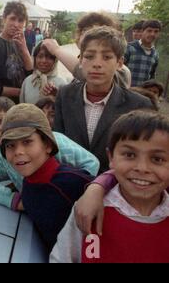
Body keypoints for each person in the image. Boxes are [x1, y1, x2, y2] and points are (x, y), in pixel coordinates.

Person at [51, 110, 169, 263]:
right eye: (130, 155)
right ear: (111, 158)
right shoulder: (87, 211)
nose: (142, 168)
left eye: (157, 159)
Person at [54, 26, 153, 173]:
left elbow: (141, 155)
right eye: (89, 56)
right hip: (70, 184)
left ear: (120, 63)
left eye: (106, 57)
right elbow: (59, 144)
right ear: (80, 60)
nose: (97, 64)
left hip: (115, 186)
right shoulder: (65, 95)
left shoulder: (139, 105)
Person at [0, 104, 94, 250]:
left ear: (48, 145)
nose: (18, 152)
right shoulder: (29, 184)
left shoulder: (74, 182)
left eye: (27, 142)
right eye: (10, 145)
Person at [43, 12, 132, 89]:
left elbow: (81, 72)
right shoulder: (81, 61)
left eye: (95, 31)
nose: (88, 36)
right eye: (84, 31)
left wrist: (57, 50)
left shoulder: (122, 71)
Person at [0, 2, 33, 100]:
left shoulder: (19, 43)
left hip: (19, 104)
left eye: (20, 20)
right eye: (12, 19)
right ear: (4, 19)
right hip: (1, 107)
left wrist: (25, 49)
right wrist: (20, 92)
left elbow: (30, 74)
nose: (16, 24)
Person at [125, 20, 161, 86]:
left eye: (156, 31)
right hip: (125, 92)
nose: (152, 34)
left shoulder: (155, 54)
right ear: (143, 31)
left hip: (142, 94)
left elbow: (152, 76)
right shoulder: (129, 48)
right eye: (149, 31)